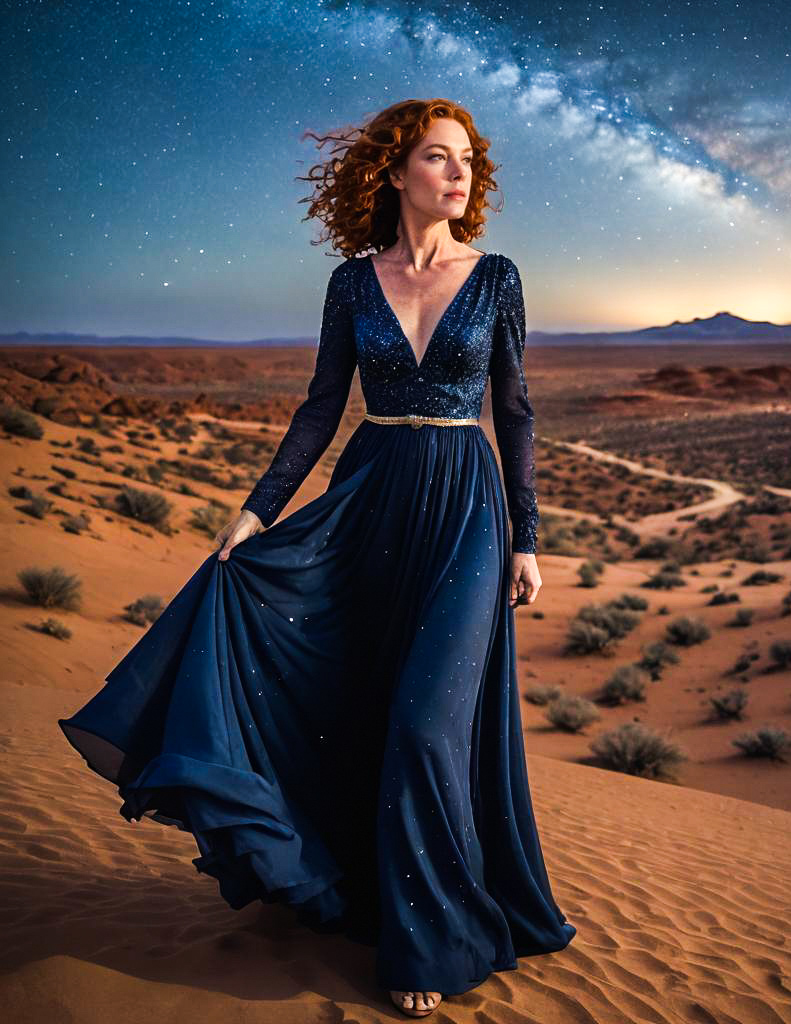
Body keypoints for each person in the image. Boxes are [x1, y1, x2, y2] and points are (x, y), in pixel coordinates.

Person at [56, 98, 577, 1018]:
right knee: (362, 700)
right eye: (436, 158)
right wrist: (256, 512)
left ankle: (433, 937)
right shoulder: (350, 283)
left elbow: (518, 410)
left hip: (464, 501)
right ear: (395, 171)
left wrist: (528, 534)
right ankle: (372, 893)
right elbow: (319, 407)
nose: (458, 175)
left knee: (426, 722)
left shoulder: (497, 276)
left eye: (467, 161)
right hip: (368, 498)